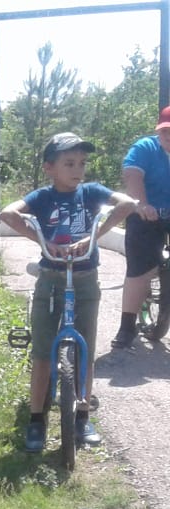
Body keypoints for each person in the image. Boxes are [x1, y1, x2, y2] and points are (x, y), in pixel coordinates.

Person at [0, 133, 136, 451]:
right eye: (69, 163)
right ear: (49, 167)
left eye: (82, 163)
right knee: (42, 353)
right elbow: (8, 213)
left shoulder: (91, 192)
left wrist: (93, 237)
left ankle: (82, 416)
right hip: (51, 280)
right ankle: (37, 419)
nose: (78, 170)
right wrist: (43, 241)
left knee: (85, 350)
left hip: (86, 279)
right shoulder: (42, 197)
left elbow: (128, 203)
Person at [113, 105, 170, 349]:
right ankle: (127, 328)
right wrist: (142, 204)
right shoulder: (145, 148)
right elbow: (133, 174)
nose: (169, 136)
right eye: (166, 131)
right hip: (147, 213)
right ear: (158, 131)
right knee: (140, 270)